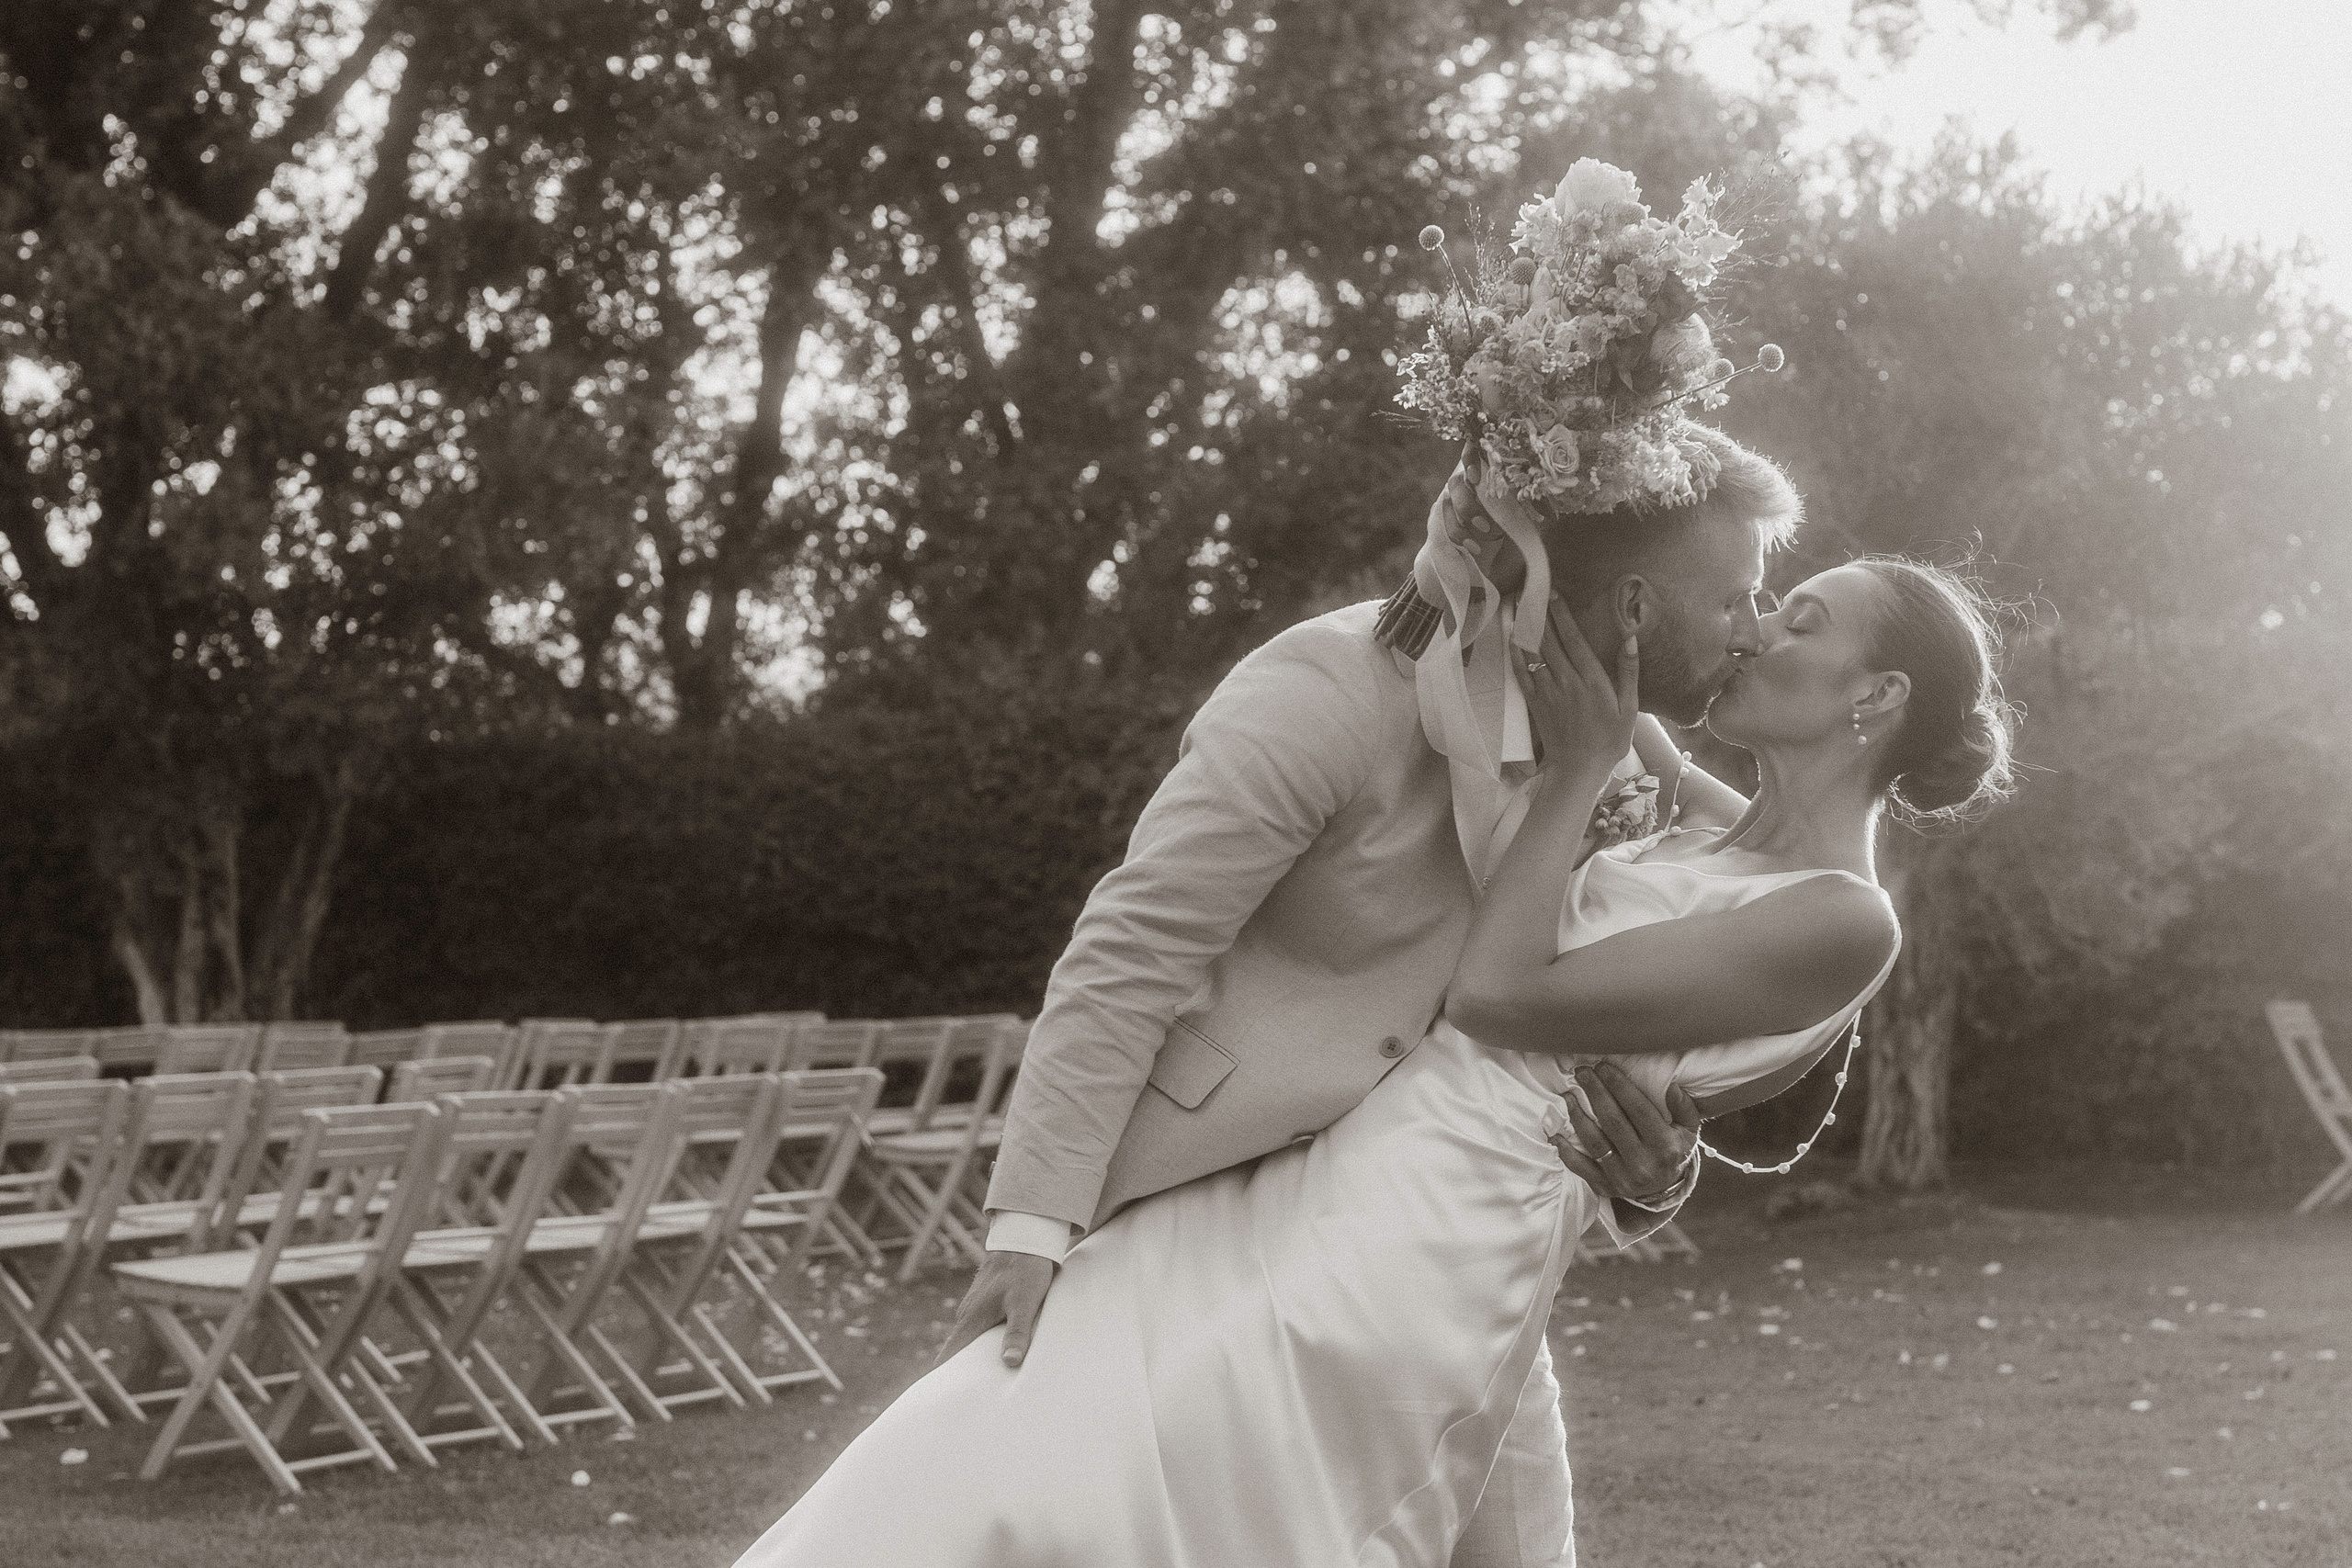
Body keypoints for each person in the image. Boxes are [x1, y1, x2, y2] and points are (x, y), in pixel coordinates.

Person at [729, 534, 2017, 1566]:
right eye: (1752, 595)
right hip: (1321, 1167)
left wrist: (1575, 777)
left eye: (1797, 618)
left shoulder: (1845, 918)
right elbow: (1608, 644)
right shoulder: (1708, 821)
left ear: (1880, 696)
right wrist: (1524, 488)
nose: (1755, 625)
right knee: (1007, 1446)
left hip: (1428, 1230)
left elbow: (1501, 991)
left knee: (1190, 1500)